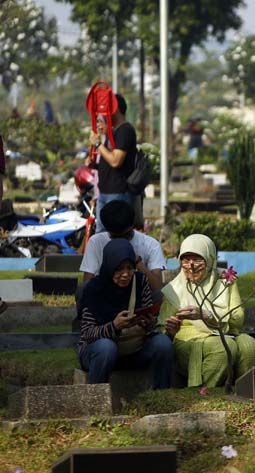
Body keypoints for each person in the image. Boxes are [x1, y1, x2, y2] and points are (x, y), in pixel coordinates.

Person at [159, 234, 255, 388]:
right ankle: (203, 392)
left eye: (197, 259)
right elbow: (161, 326)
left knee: (249, 346)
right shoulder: (175, 289)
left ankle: (246, 391)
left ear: (210, 258)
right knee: (224, 348)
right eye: (186, 260)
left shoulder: (225, 280)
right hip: (190, 338)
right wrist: (170, 330)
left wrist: (206, 315)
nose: (191, 265)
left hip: (227, 332)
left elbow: (238, 318)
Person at [77, 239, 173, 387]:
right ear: (109, 266)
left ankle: (162, 394)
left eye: (130, 268)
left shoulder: (140, 282)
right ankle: (95, 398)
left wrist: (147, 323)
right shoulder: (94, 289)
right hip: (100, 353)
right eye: (119, 269)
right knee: (106, 347)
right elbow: (88, 333)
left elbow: (150, 325)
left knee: (163, 343)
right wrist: (114, 326)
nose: (125, 274)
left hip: (134, 349)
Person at [80, 200, 166, 292]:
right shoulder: (96, 242)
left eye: (125, 236)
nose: (120, 241)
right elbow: (87, 286)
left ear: (132, 226)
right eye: (114, 237)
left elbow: (157, 288)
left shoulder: (151, 245)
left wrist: (139, 264)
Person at [87, 93, 138, 233]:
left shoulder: (125, 131)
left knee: (116, 232)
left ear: (116, 110)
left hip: (118, 192)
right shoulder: (113, 132)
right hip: (105, 192)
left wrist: (98, 144)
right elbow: (108, 161)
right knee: (101, 234)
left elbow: (116, 161)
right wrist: (94, 164)